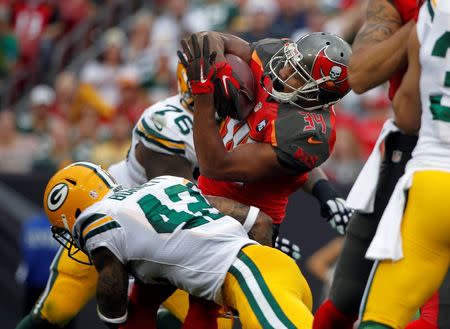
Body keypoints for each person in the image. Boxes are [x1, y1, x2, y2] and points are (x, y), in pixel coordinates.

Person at [15, 65, 272, 329]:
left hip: (160, 243)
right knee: (55, 310)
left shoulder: (244, 127)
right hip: (115, 226)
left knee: (212, 321)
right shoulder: (167, 121)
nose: (235, 98)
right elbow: (185, 192)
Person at [43, 162, 315, 329]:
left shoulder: (96, 218)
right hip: (269, 273)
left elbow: (112, 292)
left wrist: (110, 316)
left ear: (72, 210)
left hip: (250, 277)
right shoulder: (166, 183)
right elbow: (261, 223)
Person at [313, 0, 449, 328]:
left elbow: (406, 107)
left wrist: (430, 24)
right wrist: (425, 23)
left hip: (428, 160)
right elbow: (359, 76)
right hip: (414, 151)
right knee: (346, 297)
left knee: (403, 308)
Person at [178, 31, 354, 242]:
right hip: (204, 194)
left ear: (317, 95)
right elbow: (205, 39)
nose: (283, 69)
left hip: (248, 225)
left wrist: (203, 91)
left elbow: (215, 166)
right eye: (290, 61)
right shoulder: (276, 56)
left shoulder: (305, 133)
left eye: (297, 75)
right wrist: (219, 65)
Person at [358, 1, 450, 328]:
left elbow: (407, 113)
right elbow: (358, 75)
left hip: (434, 176)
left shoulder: (431, 13)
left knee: (381, 316)